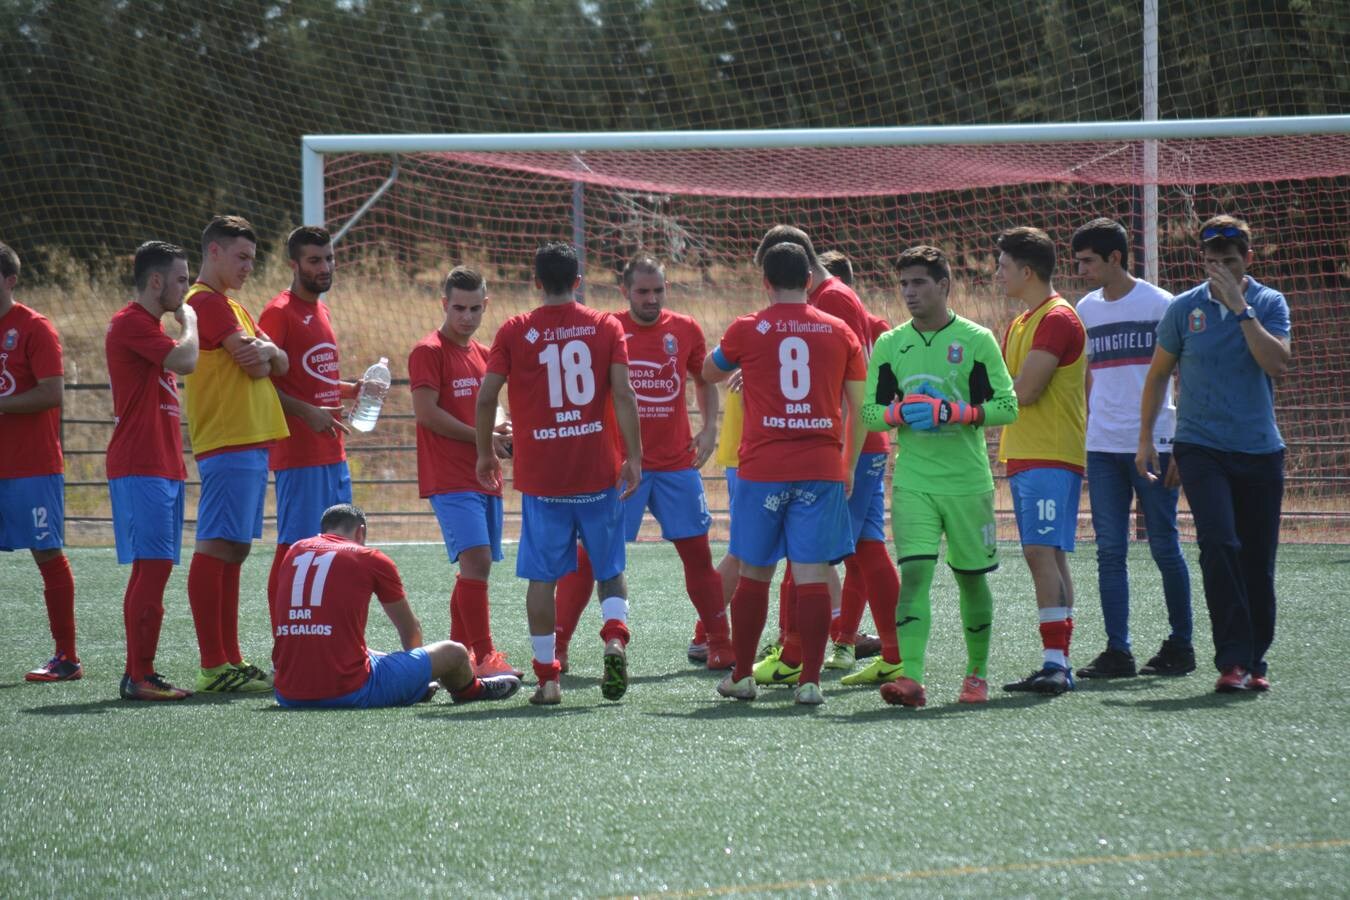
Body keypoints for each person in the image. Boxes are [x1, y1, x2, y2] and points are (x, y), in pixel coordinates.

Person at [475, 242, 642, 706]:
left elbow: (487, 397)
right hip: (595, 473)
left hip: (543, 481)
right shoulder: (606, 325)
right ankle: (613, 638)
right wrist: (635, 456)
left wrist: (484, 453)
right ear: (577, 282)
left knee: (542, 579)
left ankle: (548, 679)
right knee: (609, 567)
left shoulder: (514, 330)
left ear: (535, 283)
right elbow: (624, 395)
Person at [704, 241, 866, 706]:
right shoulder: (840, 332)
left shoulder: (747, 328)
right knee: (812, 574)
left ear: (765, 283)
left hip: (763, 469)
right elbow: (861, 407)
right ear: (810, 281)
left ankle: (741, 676)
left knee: (756, 571)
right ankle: (810, 682)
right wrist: (849, 463)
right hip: (820, 468)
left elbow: (710, 371)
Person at [552, 255, 732, 671]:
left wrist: (708, 429)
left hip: (675, 465)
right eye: (642, 292)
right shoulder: (604, 328)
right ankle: (559, 647)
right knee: (591, 558)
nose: (651, 299)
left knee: (698, 554)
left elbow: (703, 378)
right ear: (624, 292)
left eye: (658, 291)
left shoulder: (684, 329)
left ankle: (720, 642)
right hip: (620, 466)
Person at [1137, 215, 1290, 694]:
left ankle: (1254, 658)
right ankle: (1231, 661)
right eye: (1211, 261)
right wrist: (1147, 437)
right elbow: (1159, 373)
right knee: (1219, 545)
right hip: (1200, 448)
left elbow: (1277, 363)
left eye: (1228, 260)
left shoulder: (1268, 302)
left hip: (1260, 451)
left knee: (1257, 558)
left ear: (1247, 260)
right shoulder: (1184, 310)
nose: (1219, 269)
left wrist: (1241, 309)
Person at [862, 245, 1018, 707]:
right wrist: (898, 413)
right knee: (913, 577)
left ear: (945, 286)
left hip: (968, 483)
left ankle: (976, 675)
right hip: (913, 482)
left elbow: (1007, 406)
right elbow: (869, 412)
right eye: (904, 284)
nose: (909, 293)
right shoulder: (891, 344)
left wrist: (955, 411)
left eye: (919, 283)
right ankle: (911, 678)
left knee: (971, 579)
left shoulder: (976, 340)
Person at [745, 228, 900, 688]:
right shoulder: (842, 295)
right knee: (868, 550)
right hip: (863, 442)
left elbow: (832, 385)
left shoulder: (828, 302)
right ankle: (893, 653)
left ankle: (792, 653)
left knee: (804, 553)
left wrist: (841, 457)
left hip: (845, 445)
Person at [1071, 218, 1194, 679]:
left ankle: (1182, 644)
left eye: (1087, 260)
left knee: (1165, 546)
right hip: (1102, 446)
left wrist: (1181, 441)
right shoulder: (1086, 307)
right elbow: (1088, 377)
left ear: (1115, 258)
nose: (1081, 269)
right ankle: (1117, 651)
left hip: (1155, 443)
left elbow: (1185, 375)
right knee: (1109, 552)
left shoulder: (1163, 305)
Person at [182, 215, 289, 693]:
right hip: (228, 438)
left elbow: (274, 361)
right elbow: (254, 360)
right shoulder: (205, 301)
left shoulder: (232, 306)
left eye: (253, 257)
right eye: (241, 257)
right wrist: (268, 354)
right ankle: (213, 665)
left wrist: (269, 353)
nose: (250, 265)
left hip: (246, 440)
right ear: (214, 253)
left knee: (236, 548)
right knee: (217, 546)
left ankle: (230, 659)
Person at [271, 504, 520, 708]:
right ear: (361, 532)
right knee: (454, 652)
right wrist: (418, 676)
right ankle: (473, 690)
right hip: (348, 690)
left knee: (357, 649)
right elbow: (409, 629)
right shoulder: (370, 558)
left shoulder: (295, 551)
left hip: (287, 692)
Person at [408, 265, 519, 679]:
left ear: (485, 305)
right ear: (443, 304)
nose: (466, 317)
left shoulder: (484, 352)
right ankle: (487, 656)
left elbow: (495, 405)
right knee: (477, 559)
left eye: (475, 308)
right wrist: (484, 437)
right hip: (451, 475)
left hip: (483, 473)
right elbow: (426, 414)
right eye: (458, 308)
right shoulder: (428, 350)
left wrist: (503, 431)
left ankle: (458, 658)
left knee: (477, 565)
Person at [105, 241, 200, 700]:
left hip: (161, 465)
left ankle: (140, 671)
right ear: (157, 281)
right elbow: (188, 360)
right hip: (141, 464)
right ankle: (138, 675)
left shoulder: (149, 329)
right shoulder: (131, 323)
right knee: (153, 569)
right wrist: (193, 322)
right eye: (182, 279)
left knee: (152, 569)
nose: (186, 287)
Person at [995, 226, 1087, 696]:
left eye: (1004, 266)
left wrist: (976, 403)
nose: (997, 274)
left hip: (1050, 454)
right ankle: (1058, 661)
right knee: (1046, 554)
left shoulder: (1058, 318)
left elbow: (1025, 391)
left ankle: (1056, 663)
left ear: (1027, 271)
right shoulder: (1022, 322)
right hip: (1030, 454)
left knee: (1039, 553)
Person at [258, 226, 361, 612]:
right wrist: (306, 412)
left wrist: (351, 388)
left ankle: (327, 637)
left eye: (329, 259)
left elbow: (311, 376)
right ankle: (285, 644)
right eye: (315, 260)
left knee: (339, 549)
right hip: (299, 455)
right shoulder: (278, 312)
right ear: (293, 264)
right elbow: (260, 384)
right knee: (296, 549)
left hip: (334, 452)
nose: (325, 267)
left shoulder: (323, 310)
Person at [0, 240, 80, 683]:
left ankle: (66, 657)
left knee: (46, 553)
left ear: (10, 280)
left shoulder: (34, 327)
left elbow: (52, 392)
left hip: (31, 466)